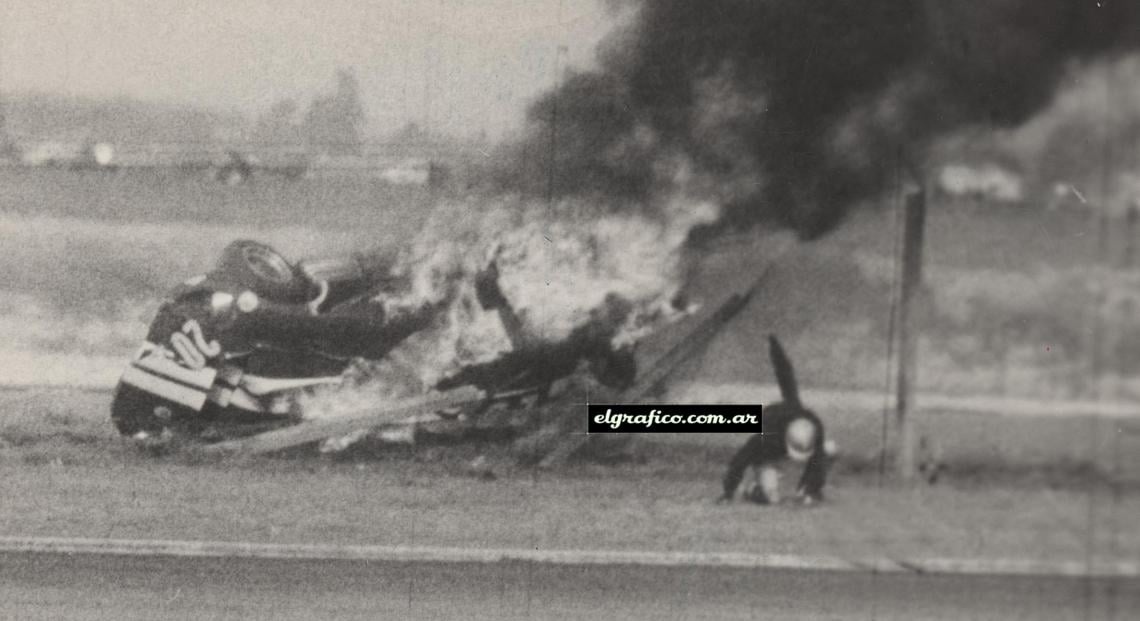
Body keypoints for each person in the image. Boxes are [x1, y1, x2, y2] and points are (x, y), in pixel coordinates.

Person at [718, 336, 837, 505]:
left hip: (786, 438)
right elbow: (740, 460)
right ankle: (752, 489)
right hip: (770, 454)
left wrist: (810, 490)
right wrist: (728, 492)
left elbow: (787, 379)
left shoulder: (814, 425)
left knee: (831, 449)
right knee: (771, 499)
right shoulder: (767, 435)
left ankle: (810, 490)